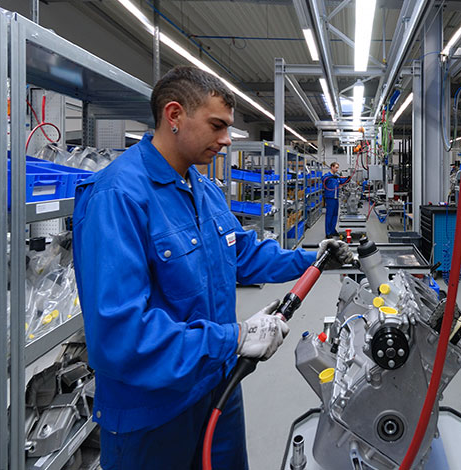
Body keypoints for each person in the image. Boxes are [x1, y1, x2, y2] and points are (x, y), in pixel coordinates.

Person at [72, 65, 353, 469]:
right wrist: (235, 338)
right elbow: (120, 334)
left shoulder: (202, 188)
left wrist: (312, 259)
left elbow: (242, 253)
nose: (226, 140)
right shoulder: (118, 196)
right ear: (174, 115)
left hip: (217, 388)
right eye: (217, 126)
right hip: (153, 412)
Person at [321, 162, 351, 238]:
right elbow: (323, 179)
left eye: (338, 168)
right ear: (332, 167)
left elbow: (342, 181)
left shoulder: (337, 176)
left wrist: (348, 179)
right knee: (329, 215)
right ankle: (328, 233)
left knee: (335, 215)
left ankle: (332, 230)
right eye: (336, 167)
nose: (337, 169)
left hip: (336, 198)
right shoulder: (327, 175)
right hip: (330, 198)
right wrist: (331, 177)